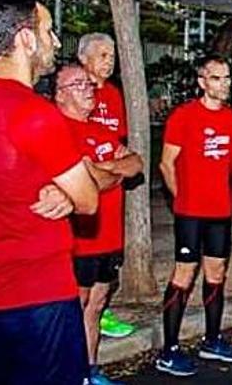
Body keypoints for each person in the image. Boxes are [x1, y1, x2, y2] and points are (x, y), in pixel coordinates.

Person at [0, 0, 100, 384]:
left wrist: (59, 186)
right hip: (38, 298)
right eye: (48, 31)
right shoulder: (33, 112)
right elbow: (88, 200)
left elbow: (2, 175)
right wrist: (69, 189)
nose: (54, 41)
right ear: (25, 38)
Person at [53, 63, 144, 385]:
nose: (89, 89)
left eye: (90, 84)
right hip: (79, 239)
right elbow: (90, 181)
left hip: (109, 237)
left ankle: (90, 370)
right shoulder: (56, 130)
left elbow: (135, 162)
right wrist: (104, 172)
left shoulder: (100, 130)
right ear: (60, 95)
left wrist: (101, 167)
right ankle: (69, 372)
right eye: (79, 85)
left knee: (97, 305)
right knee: (74, 308)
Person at [155, 55, 232, 376]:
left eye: (227, 78)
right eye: (217, 78)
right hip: (190, 213)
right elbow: (166, 164)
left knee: (216, 273)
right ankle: (169, 350)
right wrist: (184, 200)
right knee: (184, 275)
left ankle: (212, 340)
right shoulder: (184, 116)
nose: (224, 84)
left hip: (220, 211)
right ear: (202, 82)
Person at [75, 32, 138, 341]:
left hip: (113, 195)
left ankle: (101, 313)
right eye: (102, 55)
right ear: (83, 59)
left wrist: (110, 168)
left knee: (104, 276)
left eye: (111, 55)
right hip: (83, 202)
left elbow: (123, 149)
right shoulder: (74, 98)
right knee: (80, 287)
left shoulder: (113, 94)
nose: (109, 61)